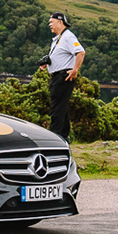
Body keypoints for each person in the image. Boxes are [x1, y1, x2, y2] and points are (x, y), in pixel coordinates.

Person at [45, 11, 85, 139]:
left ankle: (54, 136)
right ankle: (64, 136)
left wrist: (75, 70)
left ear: (60, 22)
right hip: (57, 76)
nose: (49, 25)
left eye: (51, 22)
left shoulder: (68, 37)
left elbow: (80, 52)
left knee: (57, 107)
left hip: (64, 76)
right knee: (62, 106)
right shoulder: (59, 38)